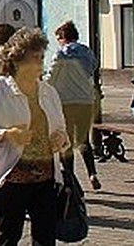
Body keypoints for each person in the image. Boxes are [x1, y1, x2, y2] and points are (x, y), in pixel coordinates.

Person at [0, 28, 69, 246]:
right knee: (9, 237)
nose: (39, 64)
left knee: (45, 239)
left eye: (42, 57)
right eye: (34, 58)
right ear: (18, 59)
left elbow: (61, 128)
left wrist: (60, 138)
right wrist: (5, 135)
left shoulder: (48, 92)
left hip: (46, 180)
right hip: (11, 180)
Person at [46, 21, 100, 191]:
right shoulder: (87, 52)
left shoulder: (61, 54)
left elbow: (52, 76)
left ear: (63, 38)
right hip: (85, 102)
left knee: (66, 141)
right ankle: (92, 174)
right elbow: (93, 69)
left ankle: (70, 177)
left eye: (58, 39)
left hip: (66, 103)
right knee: (83, 140)